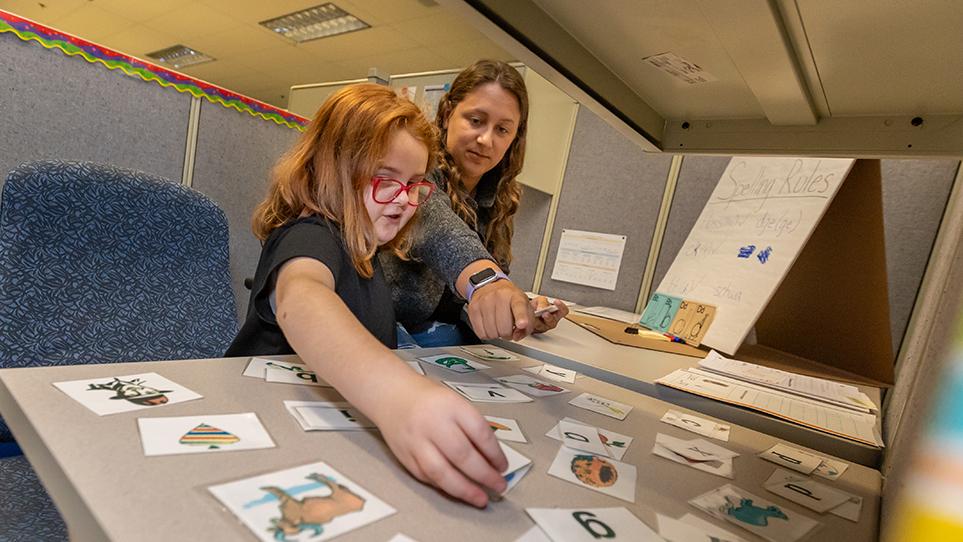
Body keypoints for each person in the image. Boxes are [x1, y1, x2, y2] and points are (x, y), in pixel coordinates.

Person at [225, 84, 508, 508]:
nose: (404, 200)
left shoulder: (366, 250)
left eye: (414, 184)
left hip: (319, 432)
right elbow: (302, 299)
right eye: (384, 179)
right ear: (330, 170)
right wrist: (396, 396)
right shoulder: (310, 236)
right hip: (258, 436)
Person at [382, 60, 569, 348]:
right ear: (446, 114)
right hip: (387, 331)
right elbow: (438, 228)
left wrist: (517, 310)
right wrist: (489, 282)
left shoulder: (498, 198)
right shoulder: (418, 171)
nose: (485, 139)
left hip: (443, 341)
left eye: (502, 130)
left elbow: (466, 302)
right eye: (476, 120)